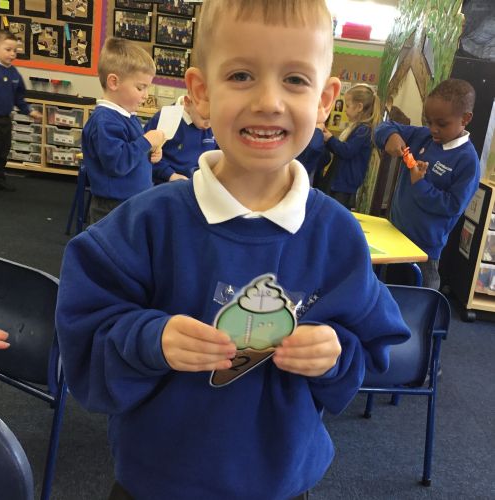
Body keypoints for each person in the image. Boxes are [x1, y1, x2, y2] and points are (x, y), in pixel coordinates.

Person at [56, 2, 410, 499]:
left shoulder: (336, 235)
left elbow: (372, 346)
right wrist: (151, 339)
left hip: (280, 484)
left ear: (325, 100)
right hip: (156, 482)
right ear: (201, 91)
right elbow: (82, 342)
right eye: (241, 75)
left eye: (295, 80)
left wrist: (333, 353)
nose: (268, 101)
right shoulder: (146, 224)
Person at [375, 78, 480, 290]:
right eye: (429, 121)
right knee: (388, 292)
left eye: (441, 124)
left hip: (424, 250)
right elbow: (384, 126)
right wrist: (390, 136)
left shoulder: (467, 161)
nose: (433, 129)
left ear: (465, 119)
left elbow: (452, 206)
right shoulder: (423, 136)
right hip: (395, 235)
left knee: (419, 298)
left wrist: (420, 184)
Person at [82, 37, 165, 223]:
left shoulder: (126, 116)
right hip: (113, 206)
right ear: (114, 82)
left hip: (131, 201)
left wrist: (150, 152)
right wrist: (146, 141)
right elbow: (117, 163)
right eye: (140, 87)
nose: (145, 95)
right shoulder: (105, 121)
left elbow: (131, 150)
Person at [315, 84, 381, 210]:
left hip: (343, 186)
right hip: (338, 182)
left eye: (348, 106)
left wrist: (329, 138)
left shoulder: (364, 130)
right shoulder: (357, 128)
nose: (345, 110)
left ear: (359, 107)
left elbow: (347, 151)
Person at [0, 29, 42, 192]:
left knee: (3, 150)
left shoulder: (14, 73)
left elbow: (19, 98)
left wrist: (30, 111)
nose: (12, 54)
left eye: (15, 51)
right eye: (8, 50)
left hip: (5, 119)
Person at [144, 94, 218, 183]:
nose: (209, 124)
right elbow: (147, 155)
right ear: (187, 102)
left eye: (213, 118)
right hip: (167, 182)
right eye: (204, 118)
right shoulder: (165, 118)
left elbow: (219, 153)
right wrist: (170, 175)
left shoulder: (214, 122)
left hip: (199, 182)